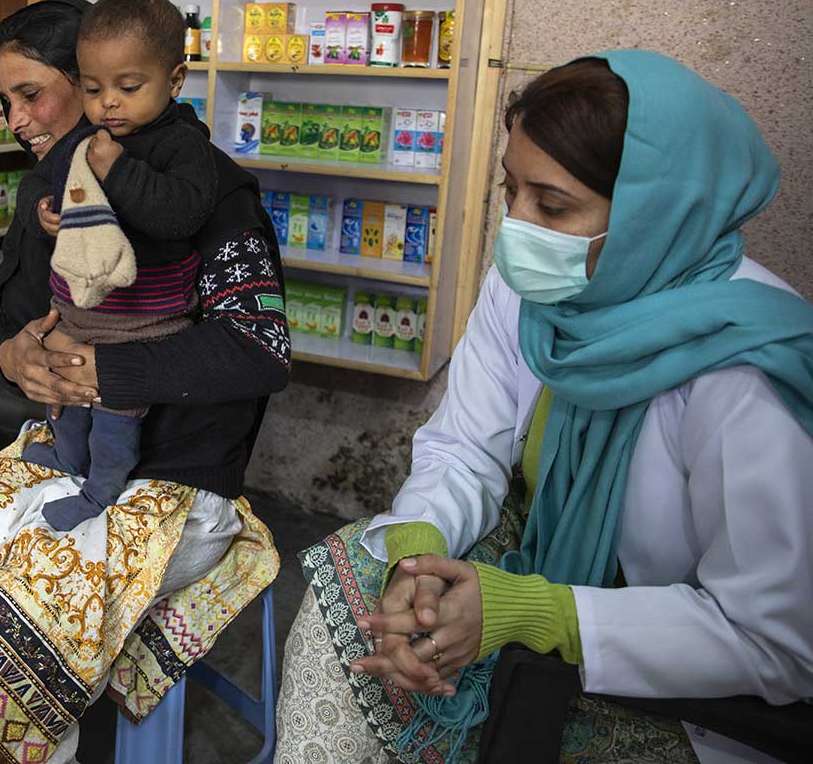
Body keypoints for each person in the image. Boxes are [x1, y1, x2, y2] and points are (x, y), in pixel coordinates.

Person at [275, 52, 813, 764]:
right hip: (544, 553)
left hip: (680, 679)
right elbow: (467, 444)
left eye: (552, 206)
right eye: (511, 192)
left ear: (654, 213)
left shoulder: (747, 363)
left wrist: (538, 614)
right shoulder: (531, 288)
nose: (516, 228)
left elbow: (774, 640)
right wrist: (420, 558)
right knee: (348, 600)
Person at [0, 0, 291, 764]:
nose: (18, 119)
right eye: (7, 99)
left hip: (172, 482)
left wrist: (110, 368)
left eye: (32, 94)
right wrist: (18, 355)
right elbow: (26, 320)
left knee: (1, 641)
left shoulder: (210, 195)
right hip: (73, 451)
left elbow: (258, 350)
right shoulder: (53, 195)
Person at [19, 0, 218, 531]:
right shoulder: (89, 136)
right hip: (82, 311)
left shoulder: (183, 147)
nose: (108, 102)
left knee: (112, 411)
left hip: (142, 324)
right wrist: (52, 215)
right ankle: (67, 458)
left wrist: (118, 171)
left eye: (128, 88)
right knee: (65, 396)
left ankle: (103, 485)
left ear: (174, 80)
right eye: (92, 88)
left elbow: (181, 216)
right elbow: (70, 190)